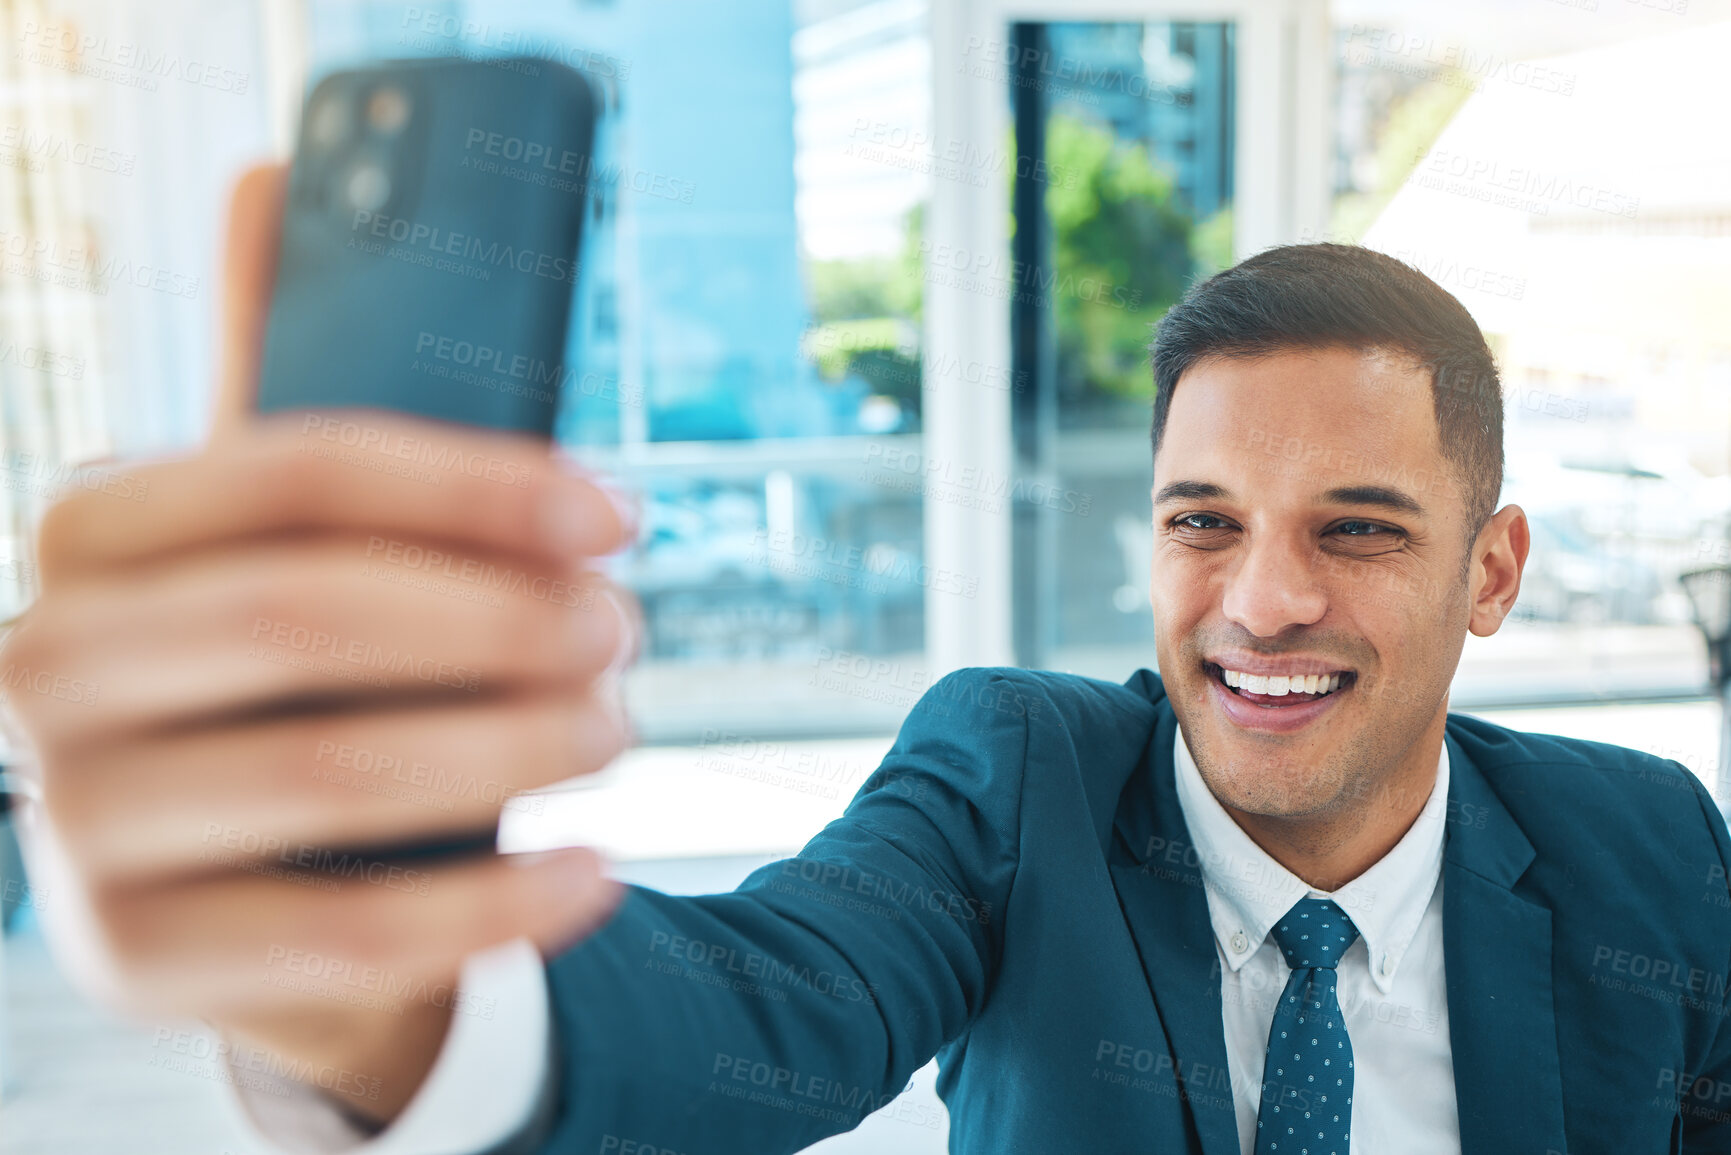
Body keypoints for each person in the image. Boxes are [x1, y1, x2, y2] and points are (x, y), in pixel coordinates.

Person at [2, 165, 1728, 1155]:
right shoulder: (1018, 775)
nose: (1259, 603)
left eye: (1355, 529)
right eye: (1202, 521)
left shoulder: (1651, 845)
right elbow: (752, 1002)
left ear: (1493, 570)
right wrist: (375, 978)